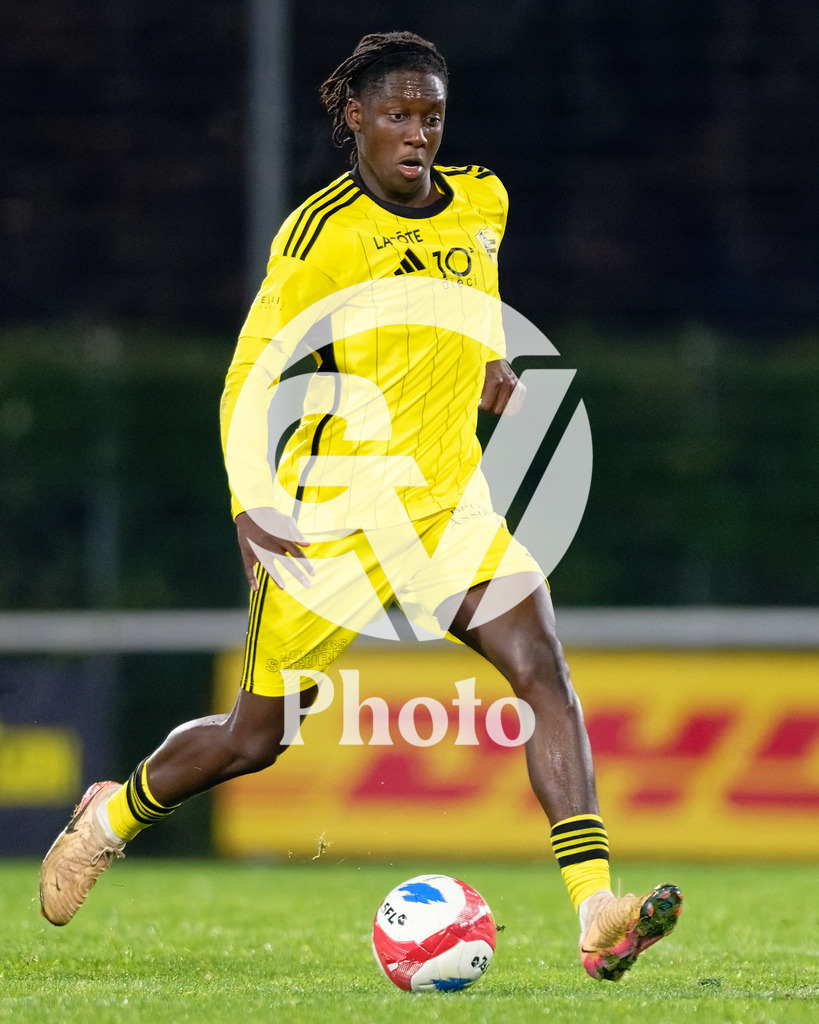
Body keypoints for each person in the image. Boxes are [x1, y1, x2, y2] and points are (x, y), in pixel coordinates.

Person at [39, 31, 681, 982]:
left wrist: (486, 361)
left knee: (542, 671)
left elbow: (467, 298)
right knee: (254, 739)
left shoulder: (484, 200)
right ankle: (111, 817)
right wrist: (248, 503)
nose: (417, 133)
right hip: (332, 519)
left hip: (449, 506)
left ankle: (596, 910)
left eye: (431, 116)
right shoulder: (320, 235)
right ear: (354, 117)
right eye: (397, 115)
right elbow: (249, 375)